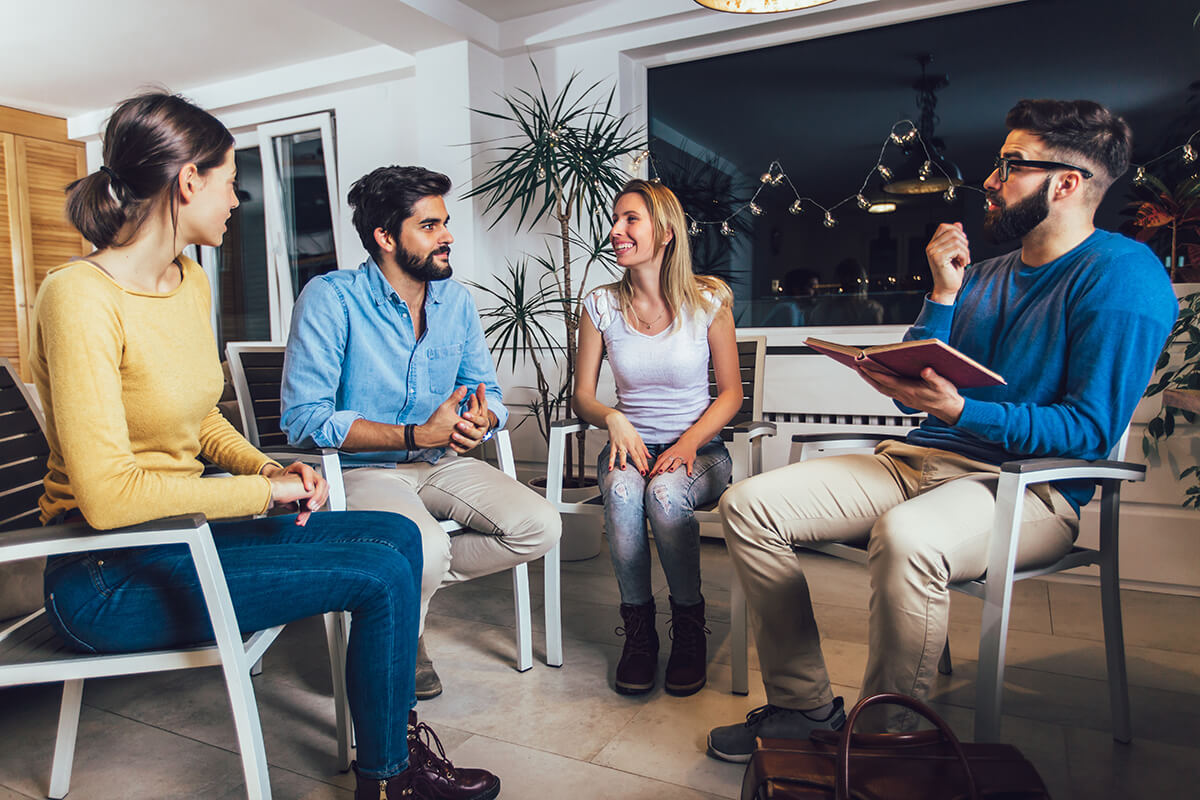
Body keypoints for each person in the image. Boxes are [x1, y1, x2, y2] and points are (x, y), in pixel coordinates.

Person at [31, 92, 500, 800]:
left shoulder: (187, 282)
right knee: (376, 574)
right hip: (103, 575)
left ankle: (393, 754)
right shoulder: (77, 296)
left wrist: (270, 466)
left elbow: (204, 421)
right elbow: (105, 495)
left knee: (397, 539)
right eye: (229, 182)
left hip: (186, 538)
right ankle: (388, 779)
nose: (236, 200)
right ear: (188, 181)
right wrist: (264, 492)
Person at [707, 98, 1179, 761]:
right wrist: (942, 294)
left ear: (1067, 183)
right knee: (750, 506)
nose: (990, 179)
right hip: (913, 461)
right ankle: (803, 707)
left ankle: (885, 747)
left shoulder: (1123, 275)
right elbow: (911, 407)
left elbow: (1087, 430)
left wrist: (963, 412)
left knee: (907, 539)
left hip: (1029, 488)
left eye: (1011, 165)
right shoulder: (981, 277)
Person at [280, 165, 561, 700]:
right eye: (430, 226)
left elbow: (489, 392)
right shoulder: (331, 298)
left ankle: (390, 601)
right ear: (386, 237)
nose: (448, 236)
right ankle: (404, 634)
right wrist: (415, 434)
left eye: (445, 223)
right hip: (360, 472)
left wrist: (484, 417)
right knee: (425, 549)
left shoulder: (453, 302)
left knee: (540, 526)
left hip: (440, 464)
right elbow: (304, 419)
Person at [573, 179, 742, 696]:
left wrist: (688, 444)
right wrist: (612, 418)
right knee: (625, 491)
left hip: (701, 452)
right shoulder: (600, 305)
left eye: (630, 220)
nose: (615, 230)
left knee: (666, 496)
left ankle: (688, 627)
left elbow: (731, 395)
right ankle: (640, 634)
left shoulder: (708, 301)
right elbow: (582, 397)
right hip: (630, 447)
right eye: (615, 218)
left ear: (665, 232)